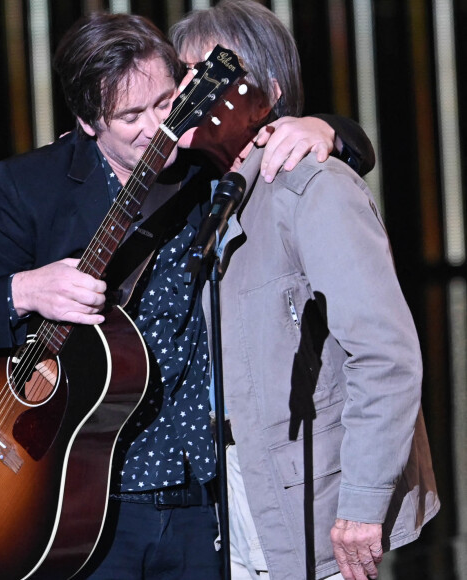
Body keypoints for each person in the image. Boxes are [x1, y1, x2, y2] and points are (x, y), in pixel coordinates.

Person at [0, 10, 375, 580]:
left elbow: (328, 153)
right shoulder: (32, 185)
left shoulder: (202, 161)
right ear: (86, 120)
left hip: (206, 501)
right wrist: (27, 289)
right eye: (131, 115)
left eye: (165, 100)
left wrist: (328, 130)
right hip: (81, 501)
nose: (160, 127)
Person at [170, 1, 439, 580]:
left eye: (211, 74)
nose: (190, 91)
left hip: (318, 504)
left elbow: (384, 354)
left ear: (264, 90)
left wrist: (364, 504)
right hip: (235, 498)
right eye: (186, 75)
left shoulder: (311, 186)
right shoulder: (206, 194)